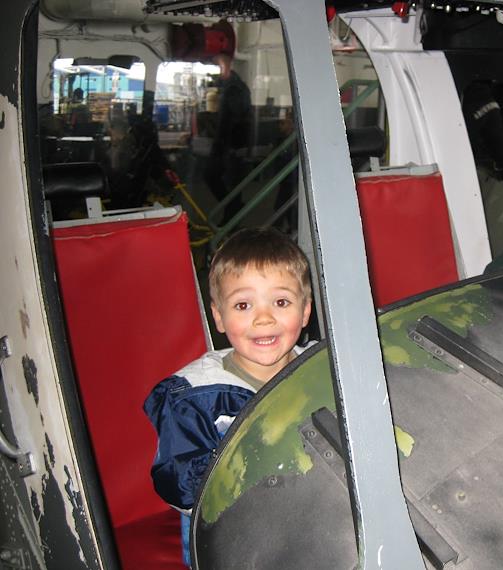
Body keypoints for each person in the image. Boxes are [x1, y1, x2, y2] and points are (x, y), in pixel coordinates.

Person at [144, 228, 313, 566]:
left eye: (281, 302)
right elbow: (180, 486)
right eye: (243, 305)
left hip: (309, 529)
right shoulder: (195, 397)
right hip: (233, 546)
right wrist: (243, 463)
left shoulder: (322, 366)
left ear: (306, 311)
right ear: (219, 317)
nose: (263, 318)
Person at [204, 52, 252, 225]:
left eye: (218, 66)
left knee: (216, 177)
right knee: (229, 183)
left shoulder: (235, 90)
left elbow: (231, 120)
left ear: (225, 66)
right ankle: (232, 213)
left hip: (230, 147)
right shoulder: (232, 88)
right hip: (229, 146)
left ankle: (233, 212)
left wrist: (222, 145)